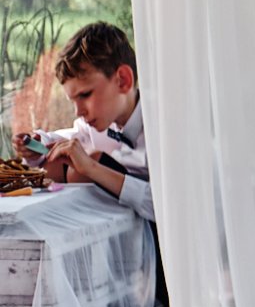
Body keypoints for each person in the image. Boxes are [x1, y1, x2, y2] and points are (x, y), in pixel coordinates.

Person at [17, 22, 154, 223]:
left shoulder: (166, 128)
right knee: (57, 161)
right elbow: (59, 140)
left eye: (85, 95)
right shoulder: (95, 124)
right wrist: (36, 145)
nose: (78, 111)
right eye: (73, 101)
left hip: (159, 235)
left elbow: (172, 210)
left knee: (87, 163)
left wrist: (92, 168)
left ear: (123, 80)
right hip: (116, 223)